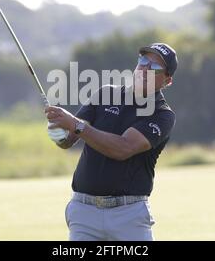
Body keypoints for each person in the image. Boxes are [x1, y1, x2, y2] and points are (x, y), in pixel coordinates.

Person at [45, 43, 177, 241]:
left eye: (155, 68)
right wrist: (59, 130)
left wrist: (75, 124)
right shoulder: (106, 93)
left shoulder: (162, 114)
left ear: (167, 81)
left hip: (129, 215)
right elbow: (69, 139)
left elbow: (123, 148)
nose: (145, 69)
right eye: (143, 61)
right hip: (84, 212)